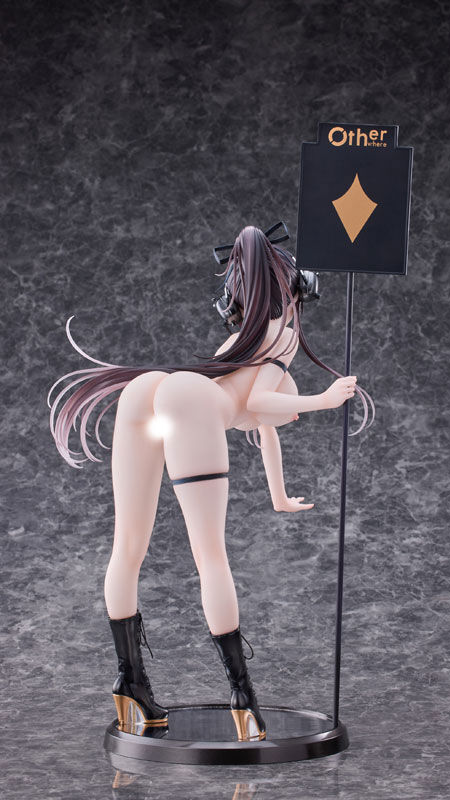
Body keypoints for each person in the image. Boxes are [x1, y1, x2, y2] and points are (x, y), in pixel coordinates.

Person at [47, 224, 374, 742]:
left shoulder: (243, 338)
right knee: (210, 557)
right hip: (193, 404)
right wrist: (324, 400)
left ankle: (131, 685)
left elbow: (265, 429)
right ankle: (243, 698)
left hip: (150, 393)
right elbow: (263, 405)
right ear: (294, 290)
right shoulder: (283, 335)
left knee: (126, 548)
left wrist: (279, 495)